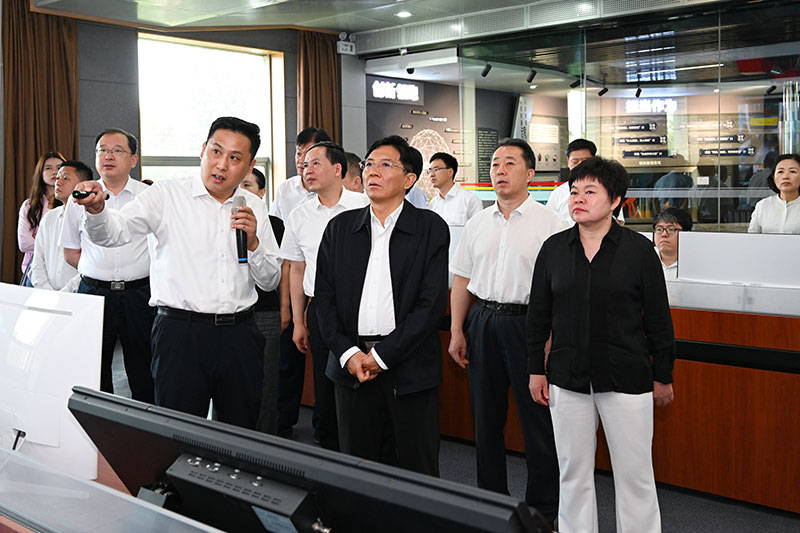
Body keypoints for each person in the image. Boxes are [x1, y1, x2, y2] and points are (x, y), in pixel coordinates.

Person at [72, 116, 282, 430]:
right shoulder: (166, 195)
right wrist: (97, 210)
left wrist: (253, 243)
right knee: (177, 434)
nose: (221, 165)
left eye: (235, 158)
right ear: (203, 150)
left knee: (240, 432)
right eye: (216, 151)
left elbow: (269, 279)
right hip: (181, 334)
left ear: (250, 166)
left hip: (240, 335)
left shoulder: (253, 205)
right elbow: (114, 233)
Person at [528, 156, 675, 533]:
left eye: (590, 192)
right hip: (567, 377)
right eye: (574, 191)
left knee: (635, 476)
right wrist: (535, 370)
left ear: (615, 201)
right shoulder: (553, 249)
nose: (578, 198)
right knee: (572, 475)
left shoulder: (639, 250)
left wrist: (663, 375)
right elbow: (538, 317)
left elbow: (659, 319)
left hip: (626, 377)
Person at [315, 135, 449, 476]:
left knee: (418, 471)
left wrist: (382, 356)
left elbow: (431, 305)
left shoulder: (429, 228)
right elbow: (324, 301)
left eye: (386, 165)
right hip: (351, 368)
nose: (372, 171)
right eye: (369, 164)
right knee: (359, 471)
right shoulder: (340, 228)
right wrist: (349, 354)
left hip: (409, 368)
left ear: (409, 179)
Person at [449, 138, 565, 523]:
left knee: (538, 421)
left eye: (510, 163)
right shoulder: (478, 222)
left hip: (530, 324)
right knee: (485, 418)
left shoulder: (552, 224)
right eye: (495, 163)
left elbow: (561, 290)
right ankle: (491, 503)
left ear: (530, 174)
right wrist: (457, 329)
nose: (500, 170)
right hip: (482, 320)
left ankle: (542, 511)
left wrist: (549, 338)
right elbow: (462, 278)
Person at [281, 141, 369, 450]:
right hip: (319, 309)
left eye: (315, 163)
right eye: (304, 164)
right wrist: (298, 321)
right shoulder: (299, 215)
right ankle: (328, 444)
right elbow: (296, 269)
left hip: (362, 307)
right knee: (324, 381)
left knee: (364, 377)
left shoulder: (365, 205)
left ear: (337, 169)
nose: (307, 169)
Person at [60, 129, 155, 403]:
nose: (108, 156)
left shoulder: (148, 196)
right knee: (93, 369)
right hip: (94, 294)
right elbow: (70, 250)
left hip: (140, 294)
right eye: (102, 150)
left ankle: (145, 424)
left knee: (143, 369)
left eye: (116, 150)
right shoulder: (79, 197)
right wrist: (96, 271)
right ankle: (98, 427)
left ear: (133, 159)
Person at [272, 126, 331, 438]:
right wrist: (288, 309)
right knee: (291, 358)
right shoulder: (287, 191)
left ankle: (327, 427)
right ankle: (285, 419)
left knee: (329, 368)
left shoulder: (350, 200)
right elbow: (288, 257)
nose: (301, 162)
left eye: (309, 155)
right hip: (297, 283)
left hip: (331, 293)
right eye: (298, 154)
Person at [239, 167, 284, 435]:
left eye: (247, 185)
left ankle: (266, 441)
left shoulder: (275, 225)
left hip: (264, 310)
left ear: (261, 192)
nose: (241, 191)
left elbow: (279, 273)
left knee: (265, 385)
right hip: (233, 315)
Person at [30, 161, 92, 291]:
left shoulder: (90, 219)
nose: (58, 182)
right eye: (58, 178)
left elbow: (91, 265)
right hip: (47, 294)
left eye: (66, 178)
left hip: (80, 293)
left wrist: (66, 292)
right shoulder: (49, 217)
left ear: (83, 185)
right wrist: (47, 291)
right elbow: (37, 261)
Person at [17, 152, 66, 285]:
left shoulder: (71, 203)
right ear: (40, 173)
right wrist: (55, 243)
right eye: (48, 168)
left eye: (59, 168)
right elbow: (24, 243)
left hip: (64, 270)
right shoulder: (29, 205)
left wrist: (37, 237)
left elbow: (72, 242)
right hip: (33, 271)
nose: (55, 172)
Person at [546, 139, 596, 224]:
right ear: (568, 161)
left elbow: (616, 221)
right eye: (575, 162)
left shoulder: (605, 189)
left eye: (585, 161)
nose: (580, 166)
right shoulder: (558, 193)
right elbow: (548, 222)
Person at [748, 153, 800, 234]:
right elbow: (752, 237)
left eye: (792, 171)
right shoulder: (763, 205)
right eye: (780, 171)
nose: (785, 176)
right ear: (774, 178)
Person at [426, 152, 482, 226]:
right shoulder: (433, 204)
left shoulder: (470, 200)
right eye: (430, 171)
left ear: (450, 172)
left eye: (436, 169)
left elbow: (479, 229)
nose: (432, 174)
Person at [653, 207, 693, 281]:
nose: (664, 234)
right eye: (659, 229)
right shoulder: (644, 258)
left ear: (687, 234)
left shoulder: (695, 262)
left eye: (671, 229)